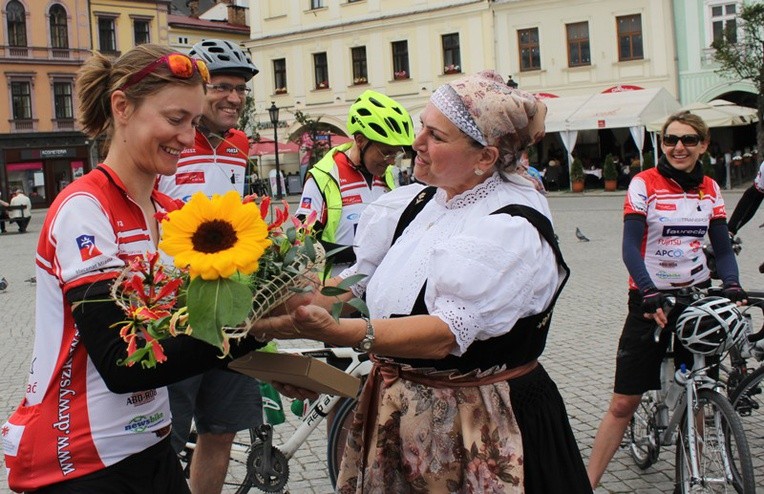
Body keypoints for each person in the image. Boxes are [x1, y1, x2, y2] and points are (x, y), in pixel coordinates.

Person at [251, 70, 592, 493]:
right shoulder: (417, 203)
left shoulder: (511, 226)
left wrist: (349, 333)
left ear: (484, 158)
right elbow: (355, 286)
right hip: (402, 412)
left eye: (436, 135)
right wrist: (269, 306)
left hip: (477, 423)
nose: (416, 144)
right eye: (422, 128)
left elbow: (446, 333)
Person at [0, 44, 266, 493]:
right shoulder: (86, 209)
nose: (187, 137)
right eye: (175, 119)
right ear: (122, 107)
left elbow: (193, 325)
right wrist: (256, 331)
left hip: (150, 444)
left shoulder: (170, 213)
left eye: (194, 122)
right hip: (79, 459)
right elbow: (122, 362)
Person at [586, 111, 747, 489]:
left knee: (702, 393)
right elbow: (630, 247)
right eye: (671, 139)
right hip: (648, 299)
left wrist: (734, 285)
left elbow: (722, 250)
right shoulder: (645, 183)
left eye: (689, 140)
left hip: (694, 297)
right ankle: (586, 482)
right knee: (624, 403)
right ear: (662, 143)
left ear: (703, 145)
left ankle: (697, 471)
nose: (679, 147)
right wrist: (648, 291)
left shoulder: (710, 188)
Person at [153, 39, 264, 494]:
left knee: (221, 429)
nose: (234, 98)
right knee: (168, 435)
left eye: (240, 89)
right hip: (175, 307)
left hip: (229, 304)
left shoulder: (239, 143)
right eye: (221, 86)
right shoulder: (171, 140)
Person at [295, 89, 415, 277]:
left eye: (396, 153)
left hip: (378, 290)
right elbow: (302, 242)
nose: (392, 161)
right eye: (386, 152)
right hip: (338, 294)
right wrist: (362, 253)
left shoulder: (389, 174)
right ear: (360, 140)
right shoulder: (323, 177)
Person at [727, 158, 764, 236]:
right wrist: (731, 230)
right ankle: (729, 232)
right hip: (757, 191)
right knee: (753, 194)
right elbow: (751, 197)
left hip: (757, 190)